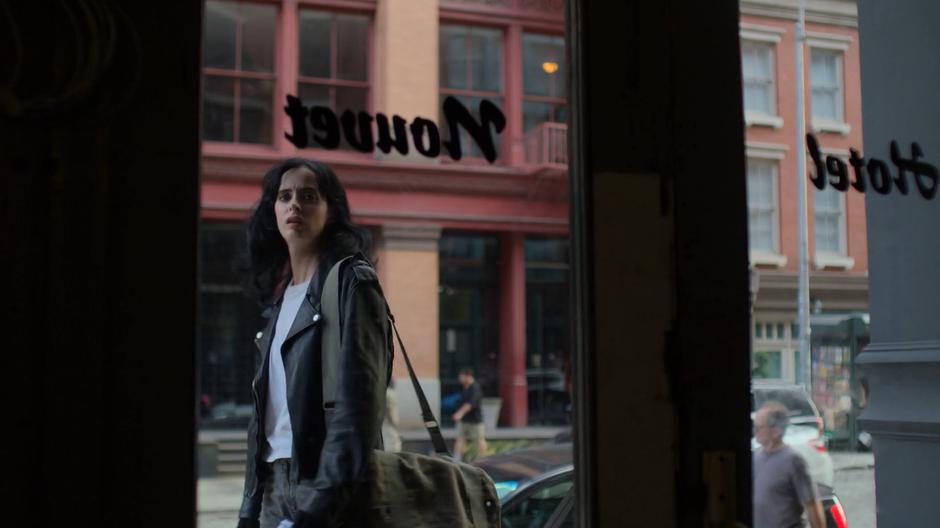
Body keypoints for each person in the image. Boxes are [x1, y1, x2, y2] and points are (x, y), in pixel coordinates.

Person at [236, 158, 393, 528]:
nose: (294, 204)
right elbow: (263, 420)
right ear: (272, 211)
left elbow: (359, 411)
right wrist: (248, 509)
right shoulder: (280, 302)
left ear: (330, 210)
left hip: (327, 489)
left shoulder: (352, 282)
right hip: (274, 491)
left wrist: (321, 508)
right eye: (284, 196)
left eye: (309, 196)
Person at [753, 401, 826, 528]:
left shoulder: (794, 461)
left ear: (775, 431)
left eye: (758, 428)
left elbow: (813, 507)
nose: (754, 432)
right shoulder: (755, 457)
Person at [452, 367, 487, 462]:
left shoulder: (475, 388)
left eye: (461, 376)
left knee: (479, 440)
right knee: (460, 439)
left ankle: (484, 459)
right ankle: (456, 459)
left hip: (475, 421)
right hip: (465, 420)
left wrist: (460, 413)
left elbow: (471, 404)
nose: (460, 378)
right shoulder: (465, 388)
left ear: (468, 376)